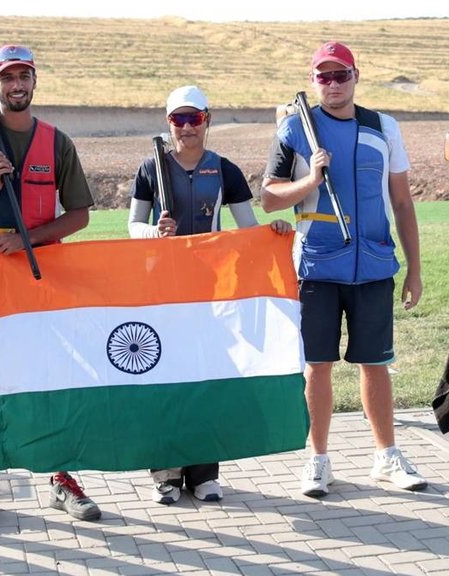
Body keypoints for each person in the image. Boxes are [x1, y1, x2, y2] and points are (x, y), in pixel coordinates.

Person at [0, 44, 99, 529]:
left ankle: (61, 478)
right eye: (7, 77)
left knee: (51, 383)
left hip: (44, 280)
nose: (17, 85)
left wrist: (25, 239)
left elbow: (79, 214)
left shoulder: (57, 142)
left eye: (24, 76)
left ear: (34, 81)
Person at [259, 41, 425, 497]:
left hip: (373, 265)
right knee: (318, 366)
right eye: (323, 77)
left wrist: (414, 268)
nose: (332, 84)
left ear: (356, 76)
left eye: (340, 75)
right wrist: (311, 180)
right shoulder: (297, 128)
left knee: (376, 365)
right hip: (316, 268)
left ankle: (386, 456)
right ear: (314, 82)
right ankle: (317, 460)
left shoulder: (382, 127)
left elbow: (403, 202)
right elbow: (269, 197)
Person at [128, 85, 292, 505]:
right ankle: (165, 473)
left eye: (194, 119)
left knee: (208, 377)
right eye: (178, 120)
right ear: (169, 123)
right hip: (162, 290)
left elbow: (246, 225)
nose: (186, 128)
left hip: (211, 292)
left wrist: (270, 234)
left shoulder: (225, 170)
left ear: (208, 120)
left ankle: (204, 473)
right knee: (165, 379)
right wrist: (154, 232)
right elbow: (132, 226)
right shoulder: (151, 168)